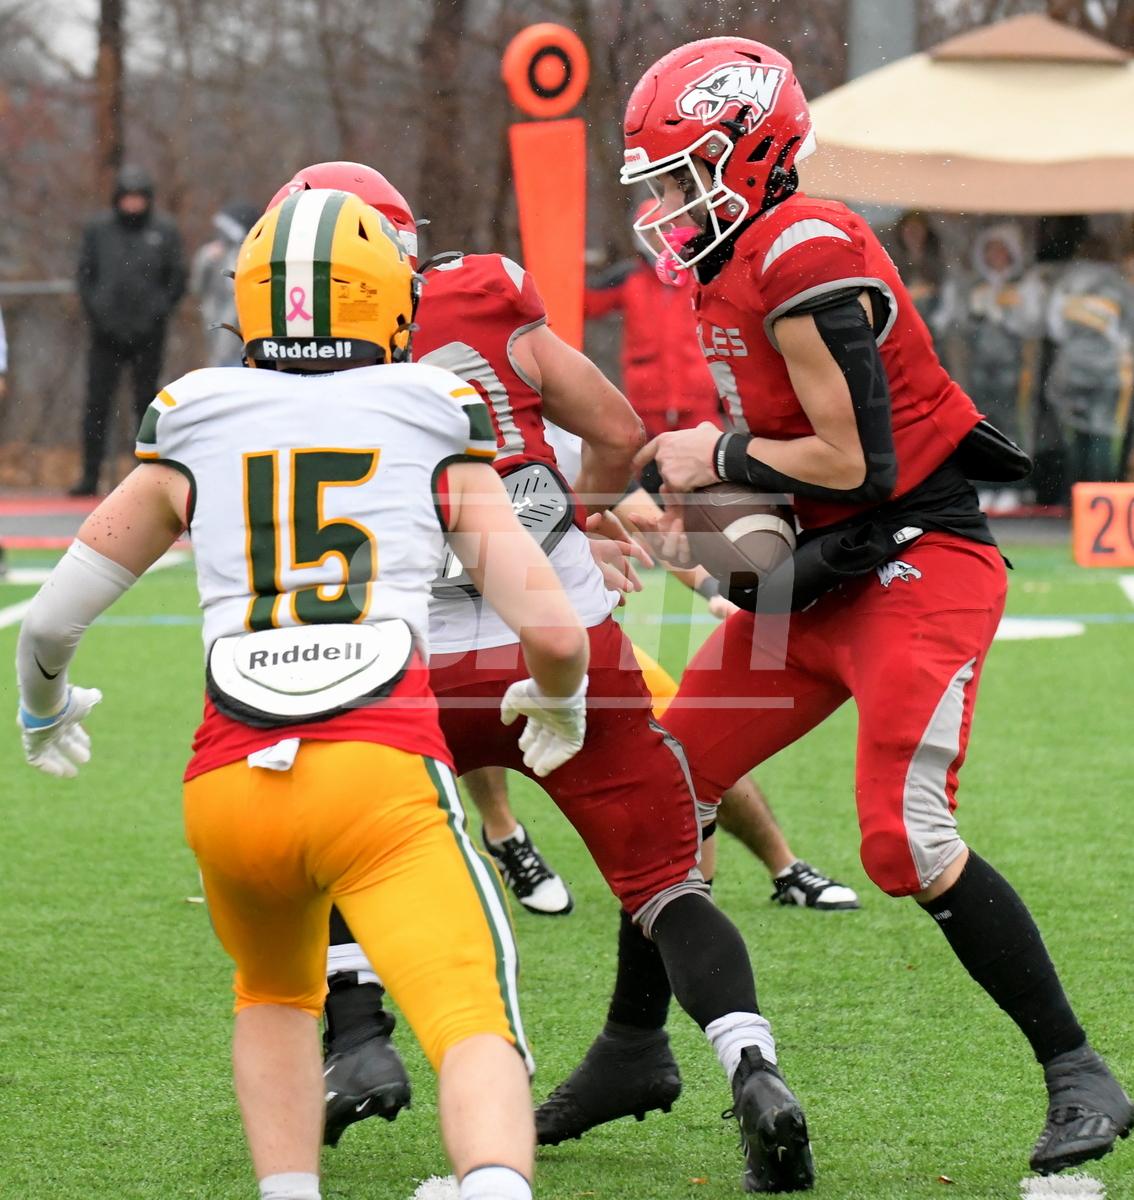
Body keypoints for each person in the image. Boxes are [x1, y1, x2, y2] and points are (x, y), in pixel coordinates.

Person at [548, 36, 1132, 1179]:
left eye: (685, 176)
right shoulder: (730, 259)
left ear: (752, 154)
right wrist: (702, 534)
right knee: (664, 789)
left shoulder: (801, 247)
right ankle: (633, 1048)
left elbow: (857, 463)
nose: (669, 205)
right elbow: (791, 472)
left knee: (903, 838)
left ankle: (1078, 1069)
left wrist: (714, 455)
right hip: (827, 572)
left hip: (917, 559)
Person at [17, 189, 597, 1200]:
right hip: (375, 771)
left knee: (274, 998)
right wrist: (561, 700)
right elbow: (554, 631)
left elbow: (48, 626)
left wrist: (44, 708)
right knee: (470, 1015)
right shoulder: (430, 407)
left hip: (228, 787)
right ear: (390, 302)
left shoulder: (195, 414)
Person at [273, 163, 816, 1194]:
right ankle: (753, 1067)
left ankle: (360, 1032)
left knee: (335, 834)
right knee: (666, 886)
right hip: (560, 630)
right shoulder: (482, 292)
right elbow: (616, 432)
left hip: (410, 661)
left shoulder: (280, 373)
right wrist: (569, 520)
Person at [72, 164, 186, 497]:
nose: (133, 204)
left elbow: (176, 279)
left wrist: (155, 314)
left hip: (149, 335)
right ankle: (90, 475)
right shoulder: (99, 230)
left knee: (147, 405)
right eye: (128, 197)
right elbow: (85, 276)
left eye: (139, 198)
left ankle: (145, 477)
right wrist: (101, 316)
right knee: (97, 404)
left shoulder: (164, 231)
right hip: (105, 334)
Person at [584, 199, 721, 440]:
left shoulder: (701, 275)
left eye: (667, 229)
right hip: (646, 405)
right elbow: (584, 305)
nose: (661, 238)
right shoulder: (631, 279)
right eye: (654, 231)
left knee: (705, 457)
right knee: (647, 460)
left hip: (698, 403)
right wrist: (569, 268)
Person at [960, 222, 1044, 510]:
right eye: (990, 250)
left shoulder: (1024, 285)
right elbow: (960, 327)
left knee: (1012, 428)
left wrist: (1006, 314)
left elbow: (1034, 325)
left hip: (1013, 369)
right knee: (983, 428)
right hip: (981, 368)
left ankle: (1015, 487)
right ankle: (986, 486)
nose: (995, 256)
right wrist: (975, 314)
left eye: (1000, 250)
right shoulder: (977, 286)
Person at [1044, 233, 1134, 486]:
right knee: (1106, 437)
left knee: (1076, 437)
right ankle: (1104, 493)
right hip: (1111, 374)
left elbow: (1055, 329)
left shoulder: (1065, 285)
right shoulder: (1120, 286)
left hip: (1071, 370)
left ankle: (1075, 495)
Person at [190, 201, 260, 367]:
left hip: (242, 341)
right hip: (216, 337)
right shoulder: (212, 255)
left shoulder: (250, 257)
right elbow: (196, 288)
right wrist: (206, 260)